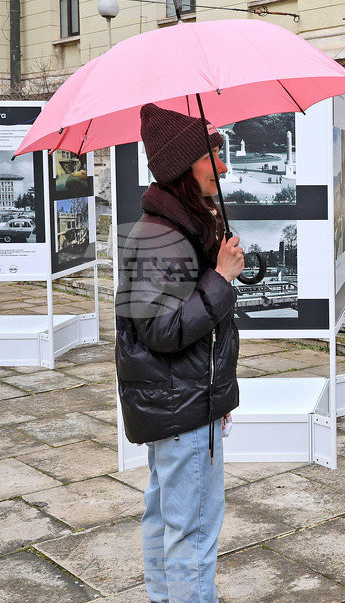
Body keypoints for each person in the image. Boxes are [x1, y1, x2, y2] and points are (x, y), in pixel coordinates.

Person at [116, 103, 245, 602]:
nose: (224, 167)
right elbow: (161, 330)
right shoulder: (161, 236)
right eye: (213, 155)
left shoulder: (177, 228)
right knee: (193, 531)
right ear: (182, 168)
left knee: (167, 519)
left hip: (182, 402)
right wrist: (221, 279)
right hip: (181, 408)